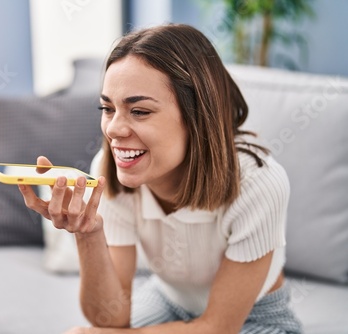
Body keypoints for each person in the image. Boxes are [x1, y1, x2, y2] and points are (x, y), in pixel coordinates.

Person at [18, 23, 303, 334]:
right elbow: (108, 320)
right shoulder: (111, 169)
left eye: (139, 111)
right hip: (169, 299)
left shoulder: (258, 183)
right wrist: (88, 234)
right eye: (107, 108)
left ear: (198, 115)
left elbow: (218, 327)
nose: (113, 129)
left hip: (255, 317)